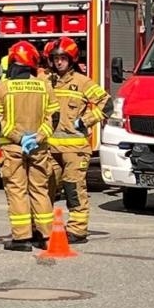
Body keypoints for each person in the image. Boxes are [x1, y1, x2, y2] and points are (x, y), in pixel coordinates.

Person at [0, 41, 59, 252]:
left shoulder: (2, 88)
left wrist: (19, 138)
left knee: (17, 191)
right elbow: (54, 117)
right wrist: (37, 138)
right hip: (39, 148)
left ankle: (22, 239)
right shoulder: (44, 85)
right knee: (40, 190)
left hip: (13, 148)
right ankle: (46, 236)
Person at [43, 37, 107, 243]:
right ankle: (42, 228)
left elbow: (107, 105)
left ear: (71, 60)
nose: (59, 62)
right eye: (55, 58)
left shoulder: (82, 82)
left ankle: (77, 230)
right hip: (50, 148)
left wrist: (85, 121)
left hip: (75, 148)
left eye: (63, 58)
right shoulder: (44, 81)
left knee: (73, 188)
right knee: (44, 188)